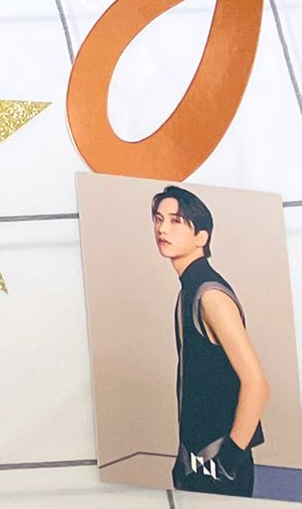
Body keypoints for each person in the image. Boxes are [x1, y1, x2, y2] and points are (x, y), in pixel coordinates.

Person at [153, 185, 268, 496]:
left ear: (201, 237)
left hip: (219, 462)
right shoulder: (188, 292)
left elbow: (257, 384)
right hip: (193, 458)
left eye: (176, 221)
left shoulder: (210, 296)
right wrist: (184, 460)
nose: (162, 228)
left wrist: (226, 464)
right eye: (159, 219)